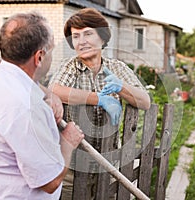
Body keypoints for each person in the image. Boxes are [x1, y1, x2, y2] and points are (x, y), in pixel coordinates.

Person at [0, 12, 84, 200]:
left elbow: (25, 83)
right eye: (51, 50)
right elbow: (50, 182)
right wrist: (68, 142)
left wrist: (48, 93)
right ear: (40, 57)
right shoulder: (28, 109)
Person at [47, 8, 151, 199]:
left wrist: (120, 87)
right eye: (76, 36)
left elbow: (145, 101)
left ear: (102, 38)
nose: (82, 41)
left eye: (88, 34)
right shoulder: (71, 66)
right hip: (72, 164)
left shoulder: (116, 67)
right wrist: (99, 98)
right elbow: (54, 90)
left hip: (108, 162)